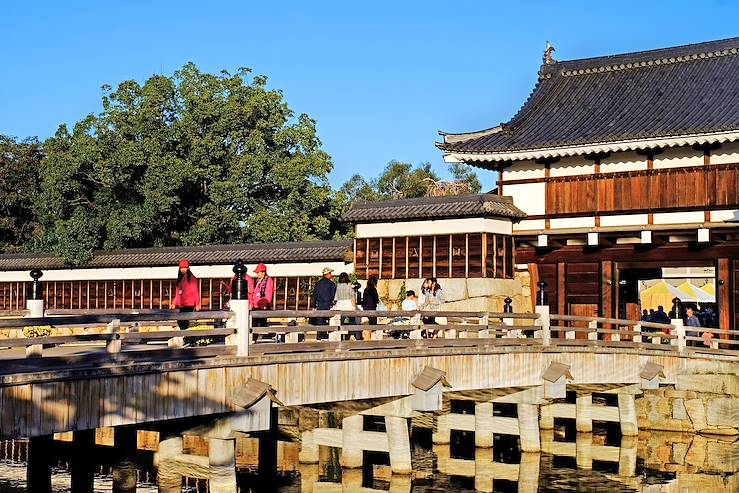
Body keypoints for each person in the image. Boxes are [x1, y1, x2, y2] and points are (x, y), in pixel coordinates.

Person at [172, 259, 200, 338]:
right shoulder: (180, 279)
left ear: (188, 268)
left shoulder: (192, 279)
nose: (183, 270)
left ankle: (186, 337)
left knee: (183, 321)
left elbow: (196, 291)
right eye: (181, 268)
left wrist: (197, 304)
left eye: (184, 268)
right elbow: (178, 293)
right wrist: (174, 303)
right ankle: (185, 337)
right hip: (182, 304)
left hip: (189, 304)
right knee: (181, 321)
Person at [312, 267, 337, 340]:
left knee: (320, 320)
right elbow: (333, 296)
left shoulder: (318, 284)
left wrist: (313, 305)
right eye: (330, 273)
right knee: (329, 321)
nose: (331, 275)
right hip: (328, 305)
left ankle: (319, 335)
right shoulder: (331, 284)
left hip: (319, 305)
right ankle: (327, 335)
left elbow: (314, 295)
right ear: (327, 274)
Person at [251, 264, 274, 341]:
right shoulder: (258, 281)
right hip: (256, 306)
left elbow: (268, 295)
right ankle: (254, 338)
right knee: (254, 324)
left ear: (263, 272)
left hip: (262, 307)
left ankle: (270, 335)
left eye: (258, 272)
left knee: (261, 324)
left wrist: (264, 304)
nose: (257, 274)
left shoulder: (268, 281)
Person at [335, 272, 359, 340]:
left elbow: (336, 298)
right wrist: (354, 307)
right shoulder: (349, 287)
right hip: (348, 305)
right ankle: (351, 334)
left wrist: (336, 305)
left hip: (340, 305)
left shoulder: (338, 287)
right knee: (352, 320)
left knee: (340, 321)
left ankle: (339, 335)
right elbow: (352, 298)